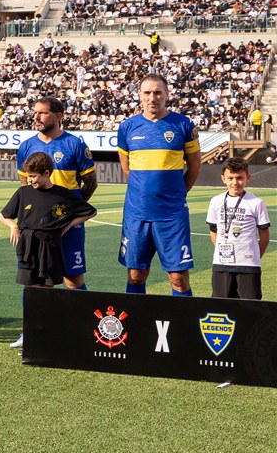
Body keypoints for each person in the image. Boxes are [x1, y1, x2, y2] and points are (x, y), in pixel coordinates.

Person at [0, 152, 97, 348]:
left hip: (50, 246)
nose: (30, 180)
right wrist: (13, 226)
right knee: (31, 289)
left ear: (46, 173)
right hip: (27, 246)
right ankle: (28, 332)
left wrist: (68, 225)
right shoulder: (23, 192)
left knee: (48, 288)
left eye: (34, 176)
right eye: (28, 176)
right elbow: (3, 215)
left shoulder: (63, 194)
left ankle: (49, 330)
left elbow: (90, 211)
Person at [117, 74, 201, 295]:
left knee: (178, 278)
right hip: (137, 213)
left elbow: (194, 167)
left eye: (157, 92)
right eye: (147, 92)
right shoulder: (127, 127)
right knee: (135, 276)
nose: (152, 97)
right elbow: (127, 170)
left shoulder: (183, 124)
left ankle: (182, 328)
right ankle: (134, 326)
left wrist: (177, 194)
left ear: (166, 94)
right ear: (139, 96)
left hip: (172, 214)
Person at [14, 96, 97, 291]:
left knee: (73, 279)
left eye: (42, 113)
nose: (37, 117)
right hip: (37, 227)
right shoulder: (26, 146)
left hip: (67, 226)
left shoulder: (75, 145)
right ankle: (38, 322)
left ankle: (79, 321)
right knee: (36, 281)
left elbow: (91, 182)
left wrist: (72, 209)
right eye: (35, 112)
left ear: (59, 116)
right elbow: (25, 185)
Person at [205, 158, 270, 300]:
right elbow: (213, 231)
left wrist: (254, 257)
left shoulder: (257, 203)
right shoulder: (215, 201)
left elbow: (264, 235)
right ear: (223, 179)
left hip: (248, 265)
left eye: (240, 178)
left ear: (248, 177)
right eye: (230, 178)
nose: (235, 183)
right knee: (221, 307)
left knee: (250, 308)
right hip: (221, 265)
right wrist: (223, 252)